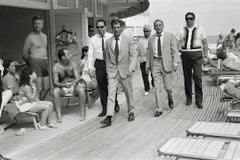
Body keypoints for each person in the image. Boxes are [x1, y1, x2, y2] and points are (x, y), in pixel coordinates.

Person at [100, 19, 137, 127]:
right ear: (112, 28)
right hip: (113, 71)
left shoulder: (128, 39)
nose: (116, 29)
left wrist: (131, 68)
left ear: (121, 28)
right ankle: (109, 116)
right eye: (114, 27)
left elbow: (133, 55)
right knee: (111, 94)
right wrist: (108, 71)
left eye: (118, 27)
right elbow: (107, 58)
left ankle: (131, 111)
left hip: (126, 71)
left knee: (128, 93)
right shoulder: (108, 42)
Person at [146, 19, 179, 117]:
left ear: (163, 26)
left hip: (167, 63)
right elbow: (148, 53)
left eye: (160, 25)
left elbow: (175, 51)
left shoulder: (170, 36)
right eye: (156, 25)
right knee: (157, 87)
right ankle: (159, 109)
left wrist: (175, 63)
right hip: (155, 62)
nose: (158, 27)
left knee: (168, 87)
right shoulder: (151, 39)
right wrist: (147, 66)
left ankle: (170, 96)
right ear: (154, 27)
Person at [88, 19, 119, 117]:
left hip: (110, 63)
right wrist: (90, 67)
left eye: (101, 27)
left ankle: (115, 103)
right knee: (102, 87)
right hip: (99, 63)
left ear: (105, 27)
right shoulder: (93, 39)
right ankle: (105, 109)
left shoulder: (111, 36)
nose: (100, 29)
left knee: (112, 85)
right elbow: (90, 54)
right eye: (98, 27)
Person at [176, 12, 208, 109]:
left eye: (191, 18)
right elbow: (175, 42)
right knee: (187, 77)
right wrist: (177, 53)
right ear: (185, 19)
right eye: (187, 18)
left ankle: (199, 100)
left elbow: (205, 43)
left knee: (198, 77)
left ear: (194, 19)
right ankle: (189, 98)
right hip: (185, 55)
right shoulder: (181, 29)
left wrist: (206, 56)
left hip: (197, 55)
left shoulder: (200, 28)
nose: (189, 20)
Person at [53, 48, 86, 122]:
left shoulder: (73, 64)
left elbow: (77, 77)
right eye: (68, 54)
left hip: (73, 86)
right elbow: (55, 82)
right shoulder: (56, 67)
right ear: (63, 57)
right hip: (62, 87)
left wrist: (74, 82)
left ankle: (82, 114)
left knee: (81, 90)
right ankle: (59, 116)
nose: (70, 55)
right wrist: (64, 85)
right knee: (55, 92)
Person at [22, 16, 50, 100]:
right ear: (33, 25)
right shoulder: (30, 37)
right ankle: (36, 108)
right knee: (38, 88)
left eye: (39, 24)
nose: (37, 26)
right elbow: (24, 53)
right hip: (35, 61)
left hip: (45, 62)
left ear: (42, 24)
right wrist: (31, 64)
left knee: (47, 87)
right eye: (35, 24)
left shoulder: (45, 36)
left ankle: (38, 104)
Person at [136, 25, 154, 96]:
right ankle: (147, 89)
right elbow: (137, 50)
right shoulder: (140, 40)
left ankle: (154, 85)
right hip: (143, 60)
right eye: (144, 31)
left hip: (152, 60)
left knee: (154, 75)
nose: (146, 32)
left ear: (150, 31)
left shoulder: (154, 39)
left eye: (147, 31)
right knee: (144, 76)